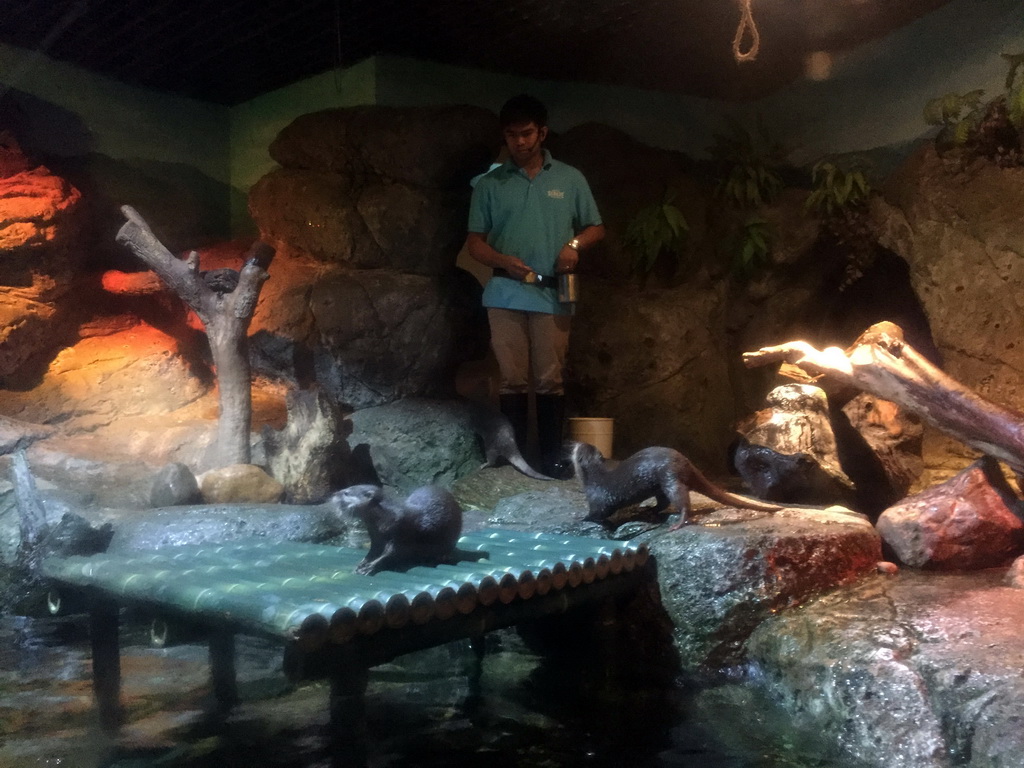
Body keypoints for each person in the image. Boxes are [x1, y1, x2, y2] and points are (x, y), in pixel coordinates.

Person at [465, 94, 605, 475]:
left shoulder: (569, 178)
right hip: (505, 291)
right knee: (511, 380)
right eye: (512, 135)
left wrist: (574, 245)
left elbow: (596, 226)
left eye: (527, 134)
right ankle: (517, 460)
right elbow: (474, 242)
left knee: (549, 379)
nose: (520, 142)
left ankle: (550, 458)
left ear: (542, 133)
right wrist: (501, 261)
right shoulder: (490, 184)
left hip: (552, 292)